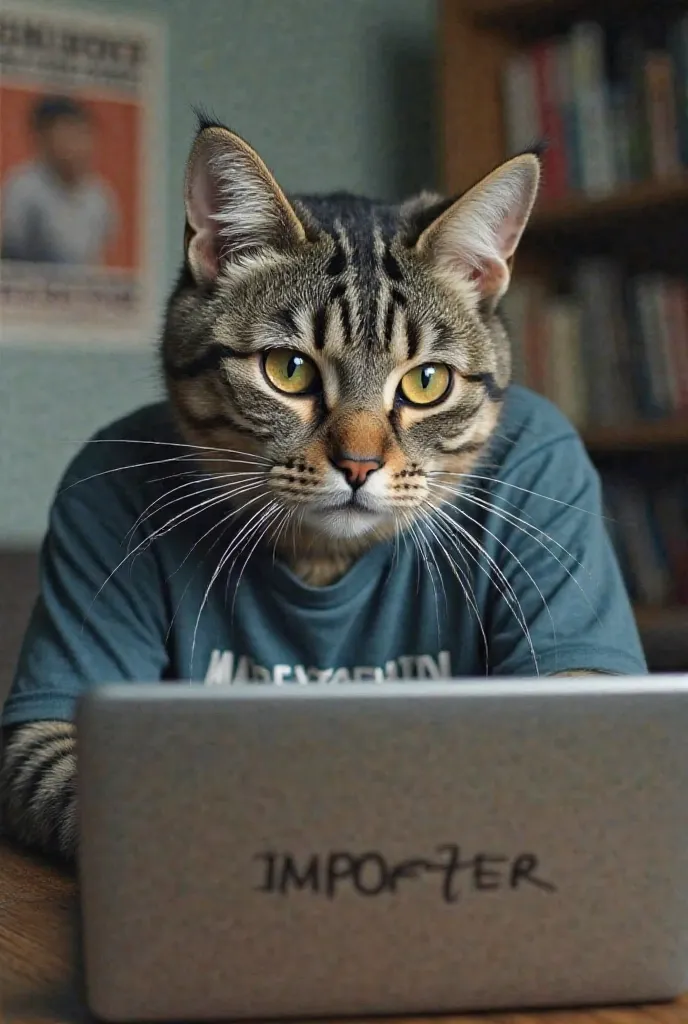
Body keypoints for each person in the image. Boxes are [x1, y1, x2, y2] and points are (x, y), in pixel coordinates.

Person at [0, 120, 648, 862]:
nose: (361, 453)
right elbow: (39, 758)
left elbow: (602, 750)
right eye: (292, 371)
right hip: (215, 913)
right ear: (217, 259)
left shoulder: (531, 464)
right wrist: (229, 856)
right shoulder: (117, 485)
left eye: (427, 382)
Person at [1, 94, 118, 265]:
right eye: (66, 135)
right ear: (44, 140)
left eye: (81, 134)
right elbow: (10, 255)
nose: (76, 146)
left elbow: (98, 256)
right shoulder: (23, 188)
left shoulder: (100, 195)